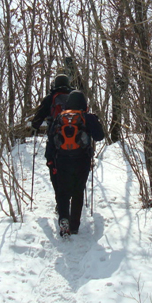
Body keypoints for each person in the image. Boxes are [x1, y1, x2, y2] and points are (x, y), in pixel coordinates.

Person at [45, 90, 104, 237]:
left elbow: (51, 139)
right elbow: (100, 137)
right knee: (78, 191)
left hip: (62, 159)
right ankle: (74, 226)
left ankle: (64, 219)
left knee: (63, 192)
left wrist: (50, 159)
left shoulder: (60, 117)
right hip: (82, 159)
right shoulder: (87, 117)